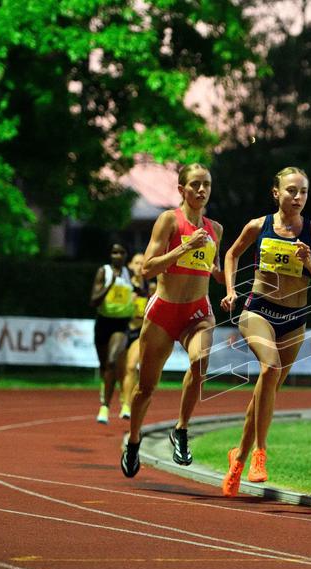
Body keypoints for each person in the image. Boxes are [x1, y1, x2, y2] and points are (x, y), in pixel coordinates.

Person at [219, 167, 311, 495]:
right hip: (257, 312)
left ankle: (238, 457)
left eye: (303, 191)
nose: (297, 197)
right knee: (269, 368)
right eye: (291, 191)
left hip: (294, 319)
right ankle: (259, 453)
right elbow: (231, 254)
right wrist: (231, 290)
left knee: (264, 391)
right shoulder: (259, 226)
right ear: (276, 193)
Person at [120, 163, 224, 478]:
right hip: (164, 312)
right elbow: (147, 268)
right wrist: (183, 248)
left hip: (197, 312)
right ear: (181, 190)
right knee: (145, 388)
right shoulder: (168, 220)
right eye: (195, 184)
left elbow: (215, 269)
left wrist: (232, 285)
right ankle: (134, 441)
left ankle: (180, 429)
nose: (202, 190)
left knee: (200, 361)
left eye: (206, 184)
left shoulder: (215, 229)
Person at [89, 243, 133, 424]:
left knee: (112, 361)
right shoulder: (104, 272)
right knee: (104, 366)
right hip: (103, 323)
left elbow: (139, 289)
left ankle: (104, 407)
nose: (118, 255)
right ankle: (105, 388)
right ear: (110, 255)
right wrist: (110, 284)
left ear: (125, 255)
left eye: (121, 252)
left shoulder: (129, 274)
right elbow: (93, 301)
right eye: (114, 252)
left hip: (121, 325)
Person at [119, 252, 155, 420]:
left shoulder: (151, 288)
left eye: (143, 263)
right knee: (120, 370)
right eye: (137, 263)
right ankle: (123, 396)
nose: (140, 266)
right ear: (130, 266)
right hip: (121, 330)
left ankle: (127, 406)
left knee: (132, 367)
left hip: (139, 332)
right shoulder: (123, 286)